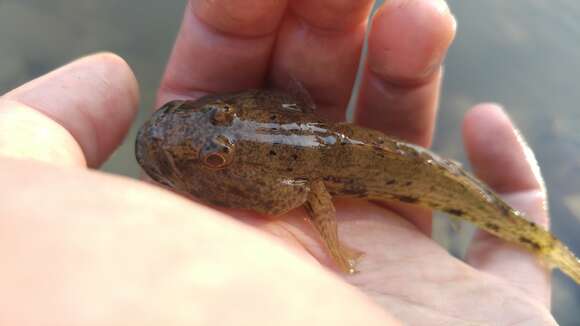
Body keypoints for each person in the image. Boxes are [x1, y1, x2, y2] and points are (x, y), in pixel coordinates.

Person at [0, 0, 557, 324]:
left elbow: (305, 190)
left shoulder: (305, 173)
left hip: (394, 170)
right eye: (218, 114)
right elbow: (296, 153)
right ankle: (544, 246)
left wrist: (335, 247)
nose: (204, 124)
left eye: (215, 147)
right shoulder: (289, 118)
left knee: (477, 202)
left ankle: (544, 247)